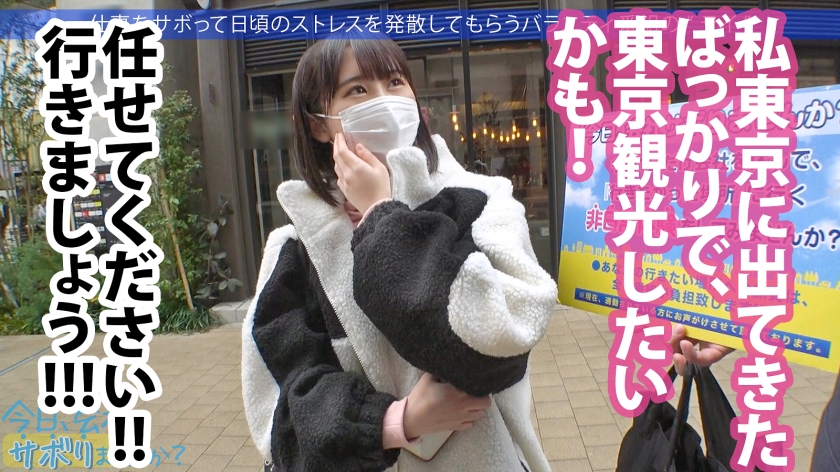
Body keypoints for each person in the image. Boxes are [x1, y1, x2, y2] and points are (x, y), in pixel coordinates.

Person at [240, 34, 558, 472]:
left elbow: (500, 344)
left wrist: (380, 215)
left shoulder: (482, 200)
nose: (384, 100)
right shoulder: (296, 251)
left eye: (394, 81)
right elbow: (284, 409)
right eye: (357, 89)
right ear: (318, 124)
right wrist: (394, 422)